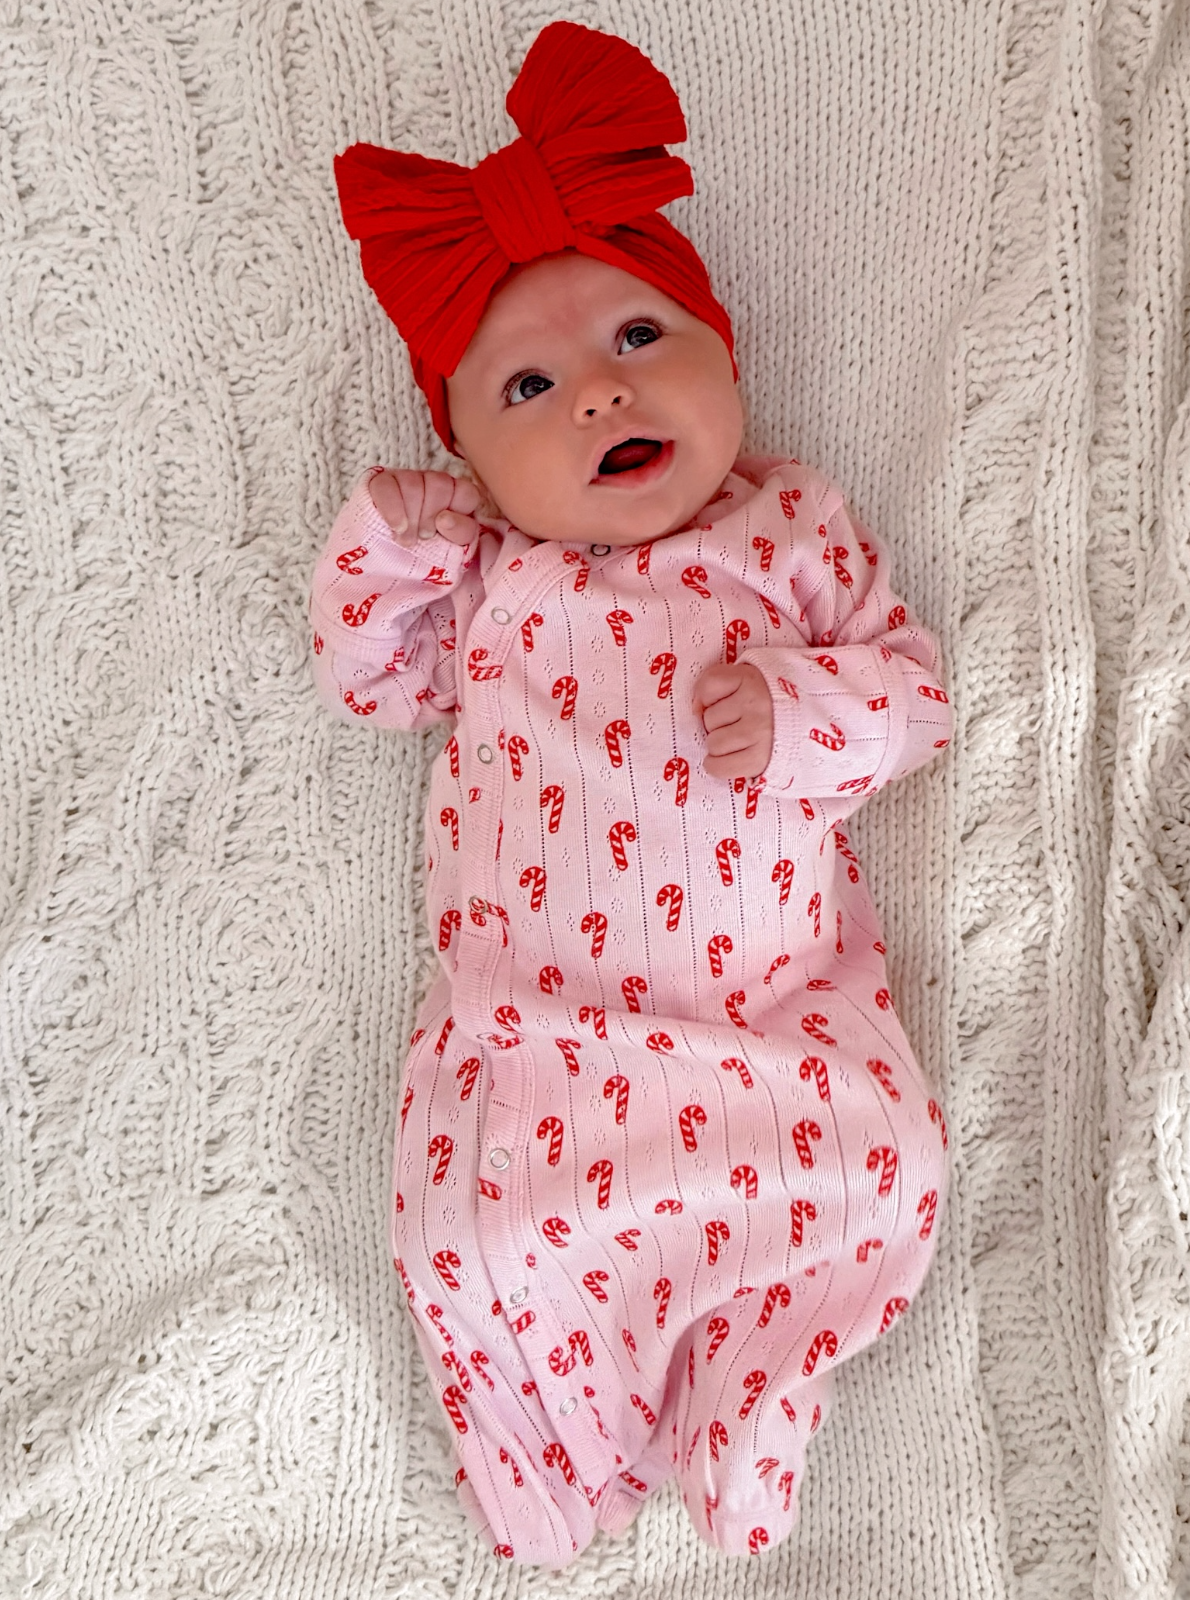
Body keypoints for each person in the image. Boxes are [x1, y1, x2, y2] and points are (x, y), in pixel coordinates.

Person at [308, 19, 953, 1570]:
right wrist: (382, 547)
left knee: (883, 1167)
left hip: (769, 1022)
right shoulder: (483, 581)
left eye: (639, 338)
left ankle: (754, 1383)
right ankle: (545, 1469)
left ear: (726, 356)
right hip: (531, 1035)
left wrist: (805, 713)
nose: (601, 393)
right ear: (463, 450)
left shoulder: (787, 526)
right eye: (530, 384)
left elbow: (913, 693)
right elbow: (371, 680)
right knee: (466, 1237)